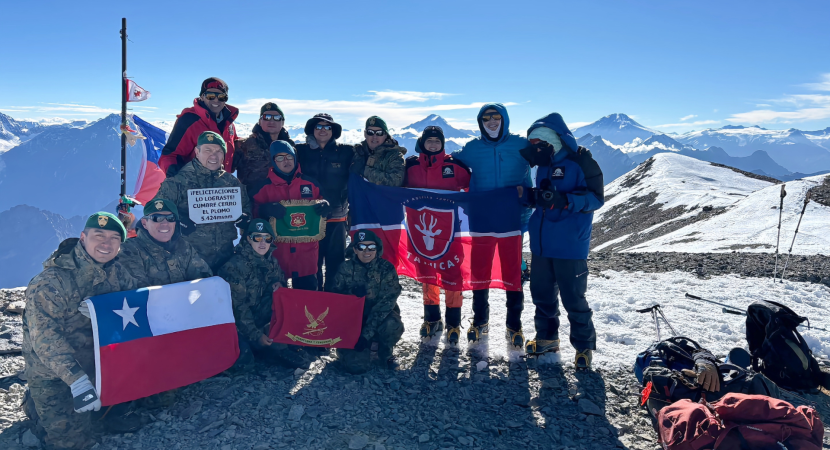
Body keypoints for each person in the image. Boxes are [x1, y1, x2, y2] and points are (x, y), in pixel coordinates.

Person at [22, 212, 140, 449]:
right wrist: (77, 381)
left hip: (99, 364)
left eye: (114, 238)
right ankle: (37, 408)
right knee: (73, 442)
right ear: (83, 238)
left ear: (121, 245)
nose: (106, 244)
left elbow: (133, 308)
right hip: (55, 375)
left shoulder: (118, 274)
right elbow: (45, 339)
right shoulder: (52, 282)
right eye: (99, 236)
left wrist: (107, 312)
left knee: (131, 408)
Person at [519, 113, 604, 369]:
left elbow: (596, 199)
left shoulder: (581, 162)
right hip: (542, 244)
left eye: (539, 143)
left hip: (570, 244)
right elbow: (546, 197)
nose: (535, 148)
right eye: (532, 143)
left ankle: (584, 346)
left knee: (573, 297)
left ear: (554, 140)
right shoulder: (543, 164)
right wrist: (532, 197)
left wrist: (565, 200)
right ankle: (547, 338)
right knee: (542, 294)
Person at [452, 103, 532, 348]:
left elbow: (547, 159)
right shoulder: (472, 148)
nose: (491, 121)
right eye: (486, 118)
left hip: (513, 218)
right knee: (480, 270)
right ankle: (480, 320)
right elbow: (449, 164)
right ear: (480, 123)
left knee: (512, 272)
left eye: (496, 117)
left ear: (504, 119)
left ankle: (514, 325)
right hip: (482, 219)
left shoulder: (522, 145)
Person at [403, 125, 471, 345]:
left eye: (437, 141)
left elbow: (474, 188)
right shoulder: (410, 166)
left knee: (452, 274)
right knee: (427, 272)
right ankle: (432, 319)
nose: (433, 144)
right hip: (419, 232)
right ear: (422, 143)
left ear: (442, 143)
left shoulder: (455, 166)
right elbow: (395, 188)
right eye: (429, 141)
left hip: (451, 231)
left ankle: (453, 323)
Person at [218, 219, 309, 369]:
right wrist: (256, 335)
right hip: (237, 325)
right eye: (257, 238)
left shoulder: (272, 261)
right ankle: (265, 347)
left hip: (260, 318)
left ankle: (275, 347)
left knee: (287, 299)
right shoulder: (234, 267)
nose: (263, 243)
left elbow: (281, 287)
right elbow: (238, 308)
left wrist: (281, 285)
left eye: (267, 238)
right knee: (243, 363)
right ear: (248, 239)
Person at [156, 131, 251, 272]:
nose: (213, 155)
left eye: (219, 151)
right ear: (197, 152)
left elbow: (246, 209)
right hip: (188, 261)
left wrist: (245, 219)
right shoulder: (178, 182)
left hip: (225, 260)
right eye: (208, 150)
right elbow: (155, 212)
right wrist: (177, 221)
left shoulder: (231, 183)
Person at [251, 141, 330, 290]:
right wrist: (263, 210)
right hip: (278, 255)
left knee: (307, 301)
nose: (286, 161)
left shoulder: (311, 184)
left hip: (306, 256)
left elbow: (323, 209)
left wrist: (326, 207)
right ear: (273, 161)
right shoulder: (263, 188)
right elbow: (252, 214)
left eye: (289, 157)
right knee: (278, 301)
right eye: (280, 158)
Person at [328, 229, 403, 373]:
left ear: (377, 249)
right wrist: (351, 294)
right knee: (356, 367)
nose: (366, 251)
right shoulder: (345, 268)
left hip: (379, 318)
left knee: (392, 324)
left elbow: (386, 304)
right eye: (361, 247)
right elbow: (334, 299)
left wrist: (365, 335)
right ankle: (349, 351)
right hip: (352, 321)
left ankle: (385, 353)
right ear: (355, 249)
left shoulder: (386, 269)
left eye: (371, 247)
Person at [295, 113, 355, 291]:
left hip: (336, 218)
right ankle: (311, 305)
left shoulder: (346, 152)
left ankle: (332, 305)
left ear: (333, 131)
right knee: (310, 265)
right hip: (308, 218)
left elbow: (368, 153)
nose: (323, 130)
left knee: (336, 265)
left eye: (327, 127)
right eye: (318, 126)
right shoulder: (300, 151)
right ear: (312, 130)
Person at [119, 198, 212, 288]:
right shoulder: (129, 250)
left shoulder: (184, 247)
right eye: (156, 218)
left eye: (170, 218)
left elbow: (205, 282)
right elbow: (138, 295)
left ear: (175, 223)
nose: (164, 223)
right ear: (144, 223)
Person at [159, 77, 238, 176]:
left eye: (221, 97)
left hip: (223, 186)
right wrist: (180, 179)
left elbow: (234, 148)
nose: (216, 100)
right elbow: (169, 156)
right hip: (196, 187)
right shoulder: (189, 120)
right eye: (211, 96)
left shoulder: (229, 124)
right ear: (202, 97)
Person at [234, 102, 296, 191]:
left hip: (285, 200)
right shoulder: (242, 145)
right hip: (251, 201)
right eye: (266, 117)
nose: (271, 121)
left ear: (282, 122)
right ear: (260, 121)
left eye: (277, 118)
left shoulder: (292, 147)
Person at [351, 116, 406, 187]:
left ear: (386, 135)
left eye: (379, 133)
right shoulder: (356, 152)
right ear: (365, 134)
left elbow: (395, 181)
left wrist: (365, 171)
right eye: (370, 132)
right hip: (356, 197)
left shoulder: (394, 156)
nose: (374, 137)